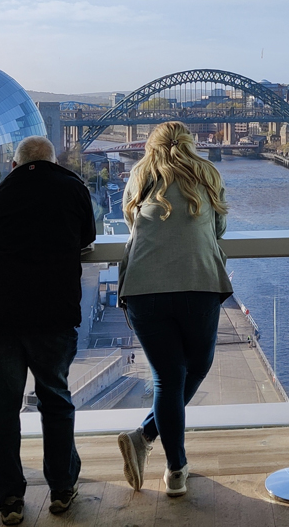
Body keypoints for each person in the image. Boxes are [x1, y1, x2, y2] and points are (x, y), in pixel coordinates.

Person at [0, 136, 95, 525]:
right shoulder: (73, 188)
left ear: (14, 164)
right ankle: (61, 487)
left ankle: (10, 497)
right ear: (52, 160)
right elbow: (87, 238)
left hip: (2, 314)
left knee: (2, 409)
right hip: (54, 312)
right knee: (55, 400)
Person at [116, 121, 232, 498]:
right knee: (195, 368)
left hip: (143, 288)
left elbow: (132, 224)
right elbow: (219, 227)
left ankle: (172, 465)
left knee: (167, 378)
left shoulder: (139, 174)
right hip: (197, 283)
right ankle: (151, 442)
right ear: (190, 143)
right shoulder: (207, 173)